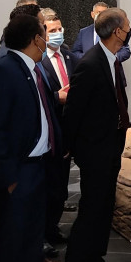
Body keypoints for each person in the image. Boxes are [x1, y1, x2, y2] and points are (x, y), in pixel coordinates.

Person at [0, 14, 60, 262]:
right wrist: (7, 179)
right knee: (9, 246)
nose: (48, 38)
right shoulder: (4, 70)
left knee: (30, 245)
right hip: (18, 174)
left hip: (37, 169)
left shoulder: (32, 69)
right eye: (44, 33)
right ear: (35, 39)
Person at [63, 8, 131, 262]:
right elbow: (73, 111)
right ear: (117, 31)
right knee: (93, 210)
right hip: (95, 152)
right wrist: (71, 149)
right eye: (127, 25)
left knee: (103, 209)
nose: (130, 29)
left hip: (109, 146)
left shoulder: (112, 60)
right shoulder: (90, 64)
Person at [41, 13, 79, 246]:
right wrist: (58, 97)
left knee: (61, 187)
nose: (58, 34)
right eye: (52, 31)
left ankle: (53, 228)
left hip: (67, 129)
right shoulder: (38, 61)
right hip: (49, 131)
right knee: (49, 187)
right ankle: (43, 233)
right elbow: (41, 96)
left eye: (60, 29)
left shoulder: (68, 55)